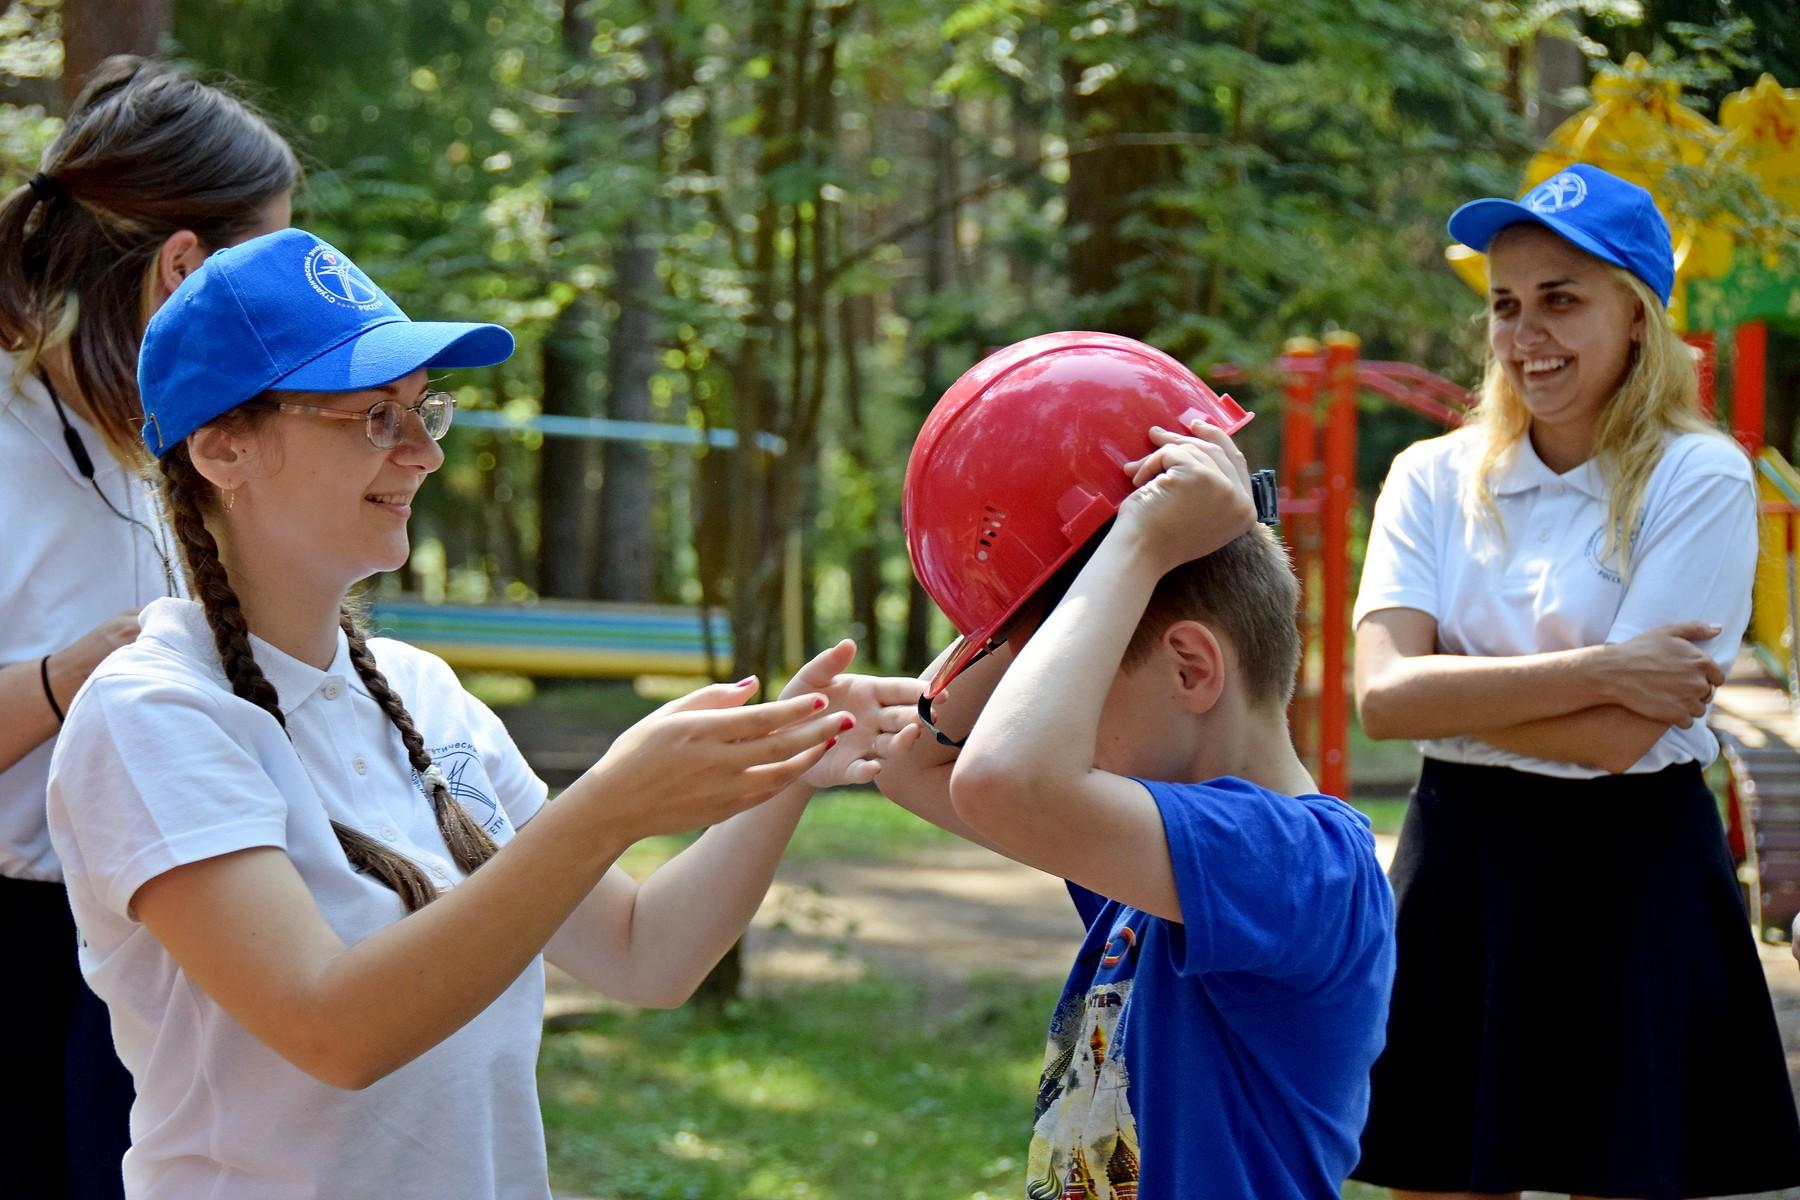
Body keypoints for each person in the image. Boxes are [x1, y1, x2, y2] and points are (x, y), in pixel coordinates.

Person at [45, 227, 918, 1199]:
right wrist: (609, 808)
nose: (423, 453)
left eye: (425, 411)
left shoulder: (424, 693)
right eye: (376, 417)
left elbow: (644, 954)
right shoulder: (152, 712)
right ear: (223, 448)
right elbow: (334, 1030)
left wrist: (789, 765)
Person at [1349, 163, 1800, 1199]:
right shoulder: (1430, 476)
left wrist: (1450, 698)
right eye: (1506, 304)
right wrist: (1604, 670)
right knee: (1442, 1181)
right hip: (1462, 864)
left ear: (1636, 315)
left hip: (1627, 868)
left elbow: (1616, 742)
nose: (1525, 334)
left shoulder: (1699, 476)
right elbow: (1381, 699)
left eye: (1561, 299)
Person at [873, 333, 1396, 1198]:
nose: (1058, 718)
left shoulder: (1302, 867)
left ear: (1190, 668)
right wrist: (1063, 572)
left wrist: (1140, 546)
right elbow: (914, 767)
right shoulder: (1159, 861)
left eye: (1078, 684)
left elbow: (998, 782)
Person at [0, 56, 297, 1200]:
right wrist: (75, 675)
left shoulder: (206, 447)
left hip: (182, 938)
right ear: (182, 267)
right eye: (264, 264)